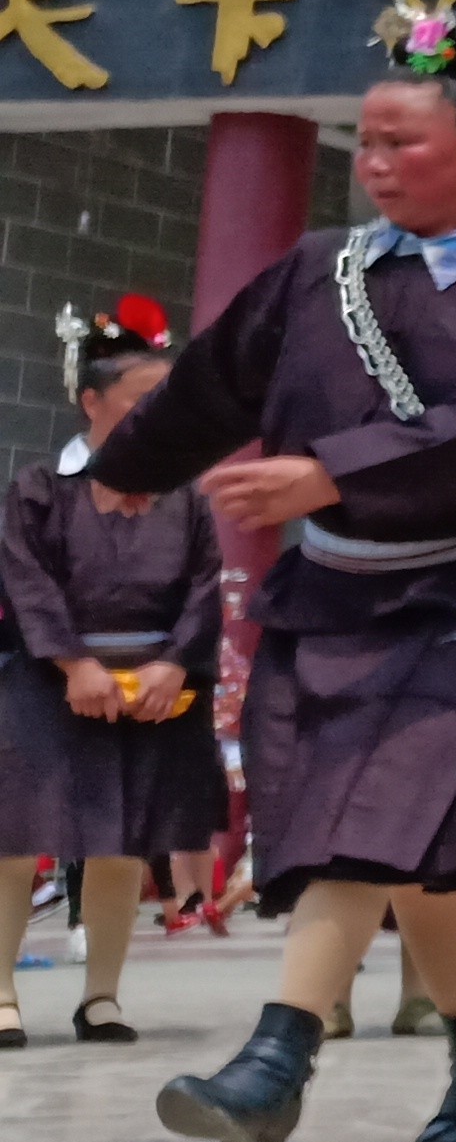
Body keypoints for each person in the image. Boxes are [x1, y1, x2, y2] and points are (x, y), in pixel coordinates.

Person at [120, 7, 456, 1142]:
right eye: (364, 143)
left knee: (365, 833)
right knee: (402, 852)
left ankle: (275, 1065)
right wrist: (124, 479)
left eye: (401, 144)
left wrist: (333, 469)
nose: (373, 165)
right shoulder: (316, 270)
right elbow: (215, 380)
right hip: (330, 600)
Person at [0, 304, 221, 1047]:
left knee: (124, 840)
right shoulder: (39, 489)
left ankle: (102, 996)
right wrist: (75, 663)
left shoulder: (186, 498)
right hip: (51, 680)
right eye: (141, 400)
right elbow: (27, 584)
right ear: (92, 403)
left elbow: (202, 587)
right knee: (17, 837)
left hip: (155, 688)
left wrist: (172, 664)